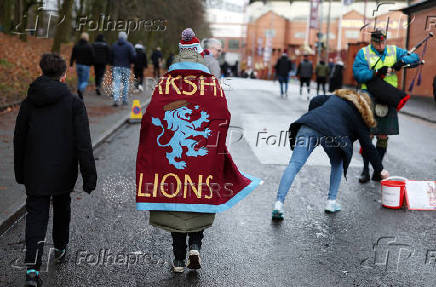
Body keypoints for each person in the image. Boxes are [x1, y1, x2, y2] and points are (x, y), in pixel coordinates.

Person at [136, 28, 259, 273]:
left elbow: (150, 117)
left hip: (172, 162)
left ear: (178, 56)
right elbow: (223, 115)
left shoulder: (166, 83)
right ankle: (195, 245)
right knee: (199, 195)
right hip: (202, 153)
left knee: (176, 200)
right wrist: (214, 142)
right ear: (200, 56)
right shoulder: (211, 84)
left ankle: (179, 259)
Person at [14, 54, 97, 287]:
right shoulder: (73, 103)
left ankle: (32, 270)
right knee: (61, 207)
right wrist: (89, 175)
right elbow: (83, 143)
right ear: (64, 75)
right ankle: (60, 246)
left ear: (41, 72)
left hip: (35, 169)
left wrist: (19, 172)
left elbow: (19, 139)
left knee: (36, 216)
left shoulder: (29, 102)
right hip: (63, 169)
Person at [272, 89, 389, 220]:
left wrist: (315, 122)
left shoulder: (337, 98)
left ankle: (278, 204)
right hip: (333, 137)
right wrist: (380, 169)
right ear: (367, 106)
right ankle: (331, 202)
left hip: (309, 125)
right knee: (337, 163)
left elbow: (315, 100)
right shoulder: (360, 116)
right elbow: (367, 146)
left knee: (294, 164)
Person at [353, 29, 419, 183]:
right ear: (372, 41)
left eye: (384, 41)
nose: (381, 45)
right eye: (378, 42)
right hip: (368, 95)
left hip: (388, 95)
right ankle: (365, 170)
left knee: (383, 135)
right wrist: (376, 72)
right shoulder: (364, 53)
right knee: (367, 135)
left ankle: (378, 170)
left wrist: (403, 61)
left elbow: (414, 57)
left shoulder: (394, 50)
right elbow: (358, 74)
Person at [111, 31, 136, 106]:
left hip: (116, 66)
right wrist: (132, 62)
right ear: (126, 37)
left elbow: (111, 55)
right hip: (126, 66)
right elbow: (133, 56)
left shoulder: (114, 45)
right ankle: (124, 100)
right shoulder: (129, 45)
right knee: (125, 83)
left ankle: (116, 100)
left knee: (116, 83)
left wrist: (112, 63)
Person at [70, 32, 94, 99]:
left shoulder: (76, 45)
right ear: (87, 38)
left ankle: (80, 95)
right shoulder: (89, 46)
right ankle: (80, 90)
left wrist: (71, 65)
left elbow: (73, 56)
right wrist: (91, 63)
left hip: (78, 65)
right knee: (85, 81)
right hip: (86, 66)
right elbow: (92, 56)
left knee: (80, 80)